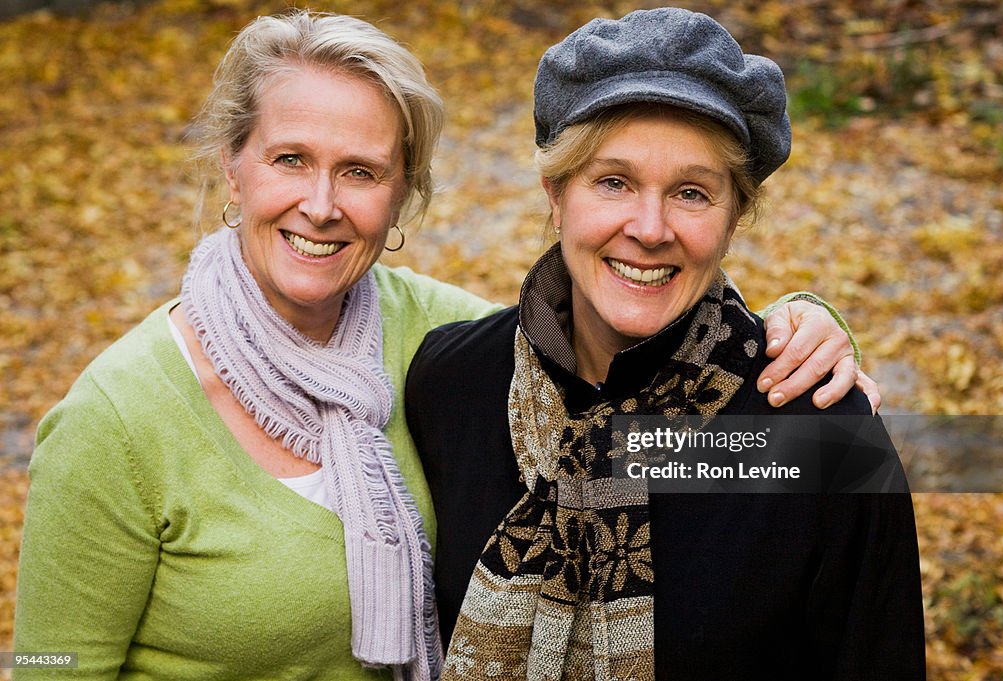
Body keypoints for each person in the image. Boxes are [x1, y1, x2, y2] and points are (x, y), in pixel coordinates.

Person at [16, 9, 877, 681]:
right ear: (232, 167)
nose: (322, 203)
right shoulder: (119, 416)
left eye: (360, 170)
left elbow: (614, 324)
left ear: (400, 197)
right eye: (288, 158)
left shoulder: (434, 345)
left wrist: (794, 324)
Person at [406, 8, 924, 680]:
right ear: (556, 194)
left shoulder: (827, 440)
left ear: (734, 214)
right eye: (613, 181)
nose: (649, 228)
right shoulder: (451, 383)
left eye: (690, 192)